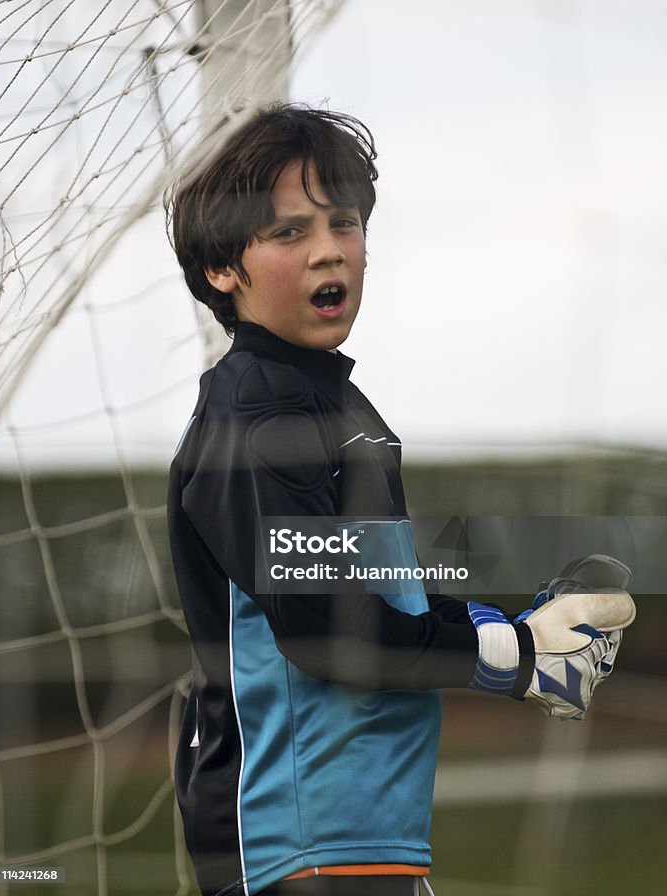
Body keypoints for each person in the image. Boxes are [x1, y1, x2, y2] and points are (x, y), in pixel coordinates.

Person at [165, 104, 634, 896]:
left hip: (368, 837)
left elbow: (382, 602)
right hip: (297, 843)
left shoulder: (335, 410)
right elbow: (326, 632)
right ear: (221, 266)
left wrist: (525, 640)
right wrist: (517, 660)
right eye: (287, 233)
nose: (329, 251)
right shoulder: (254, 420)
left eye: (343, 223)